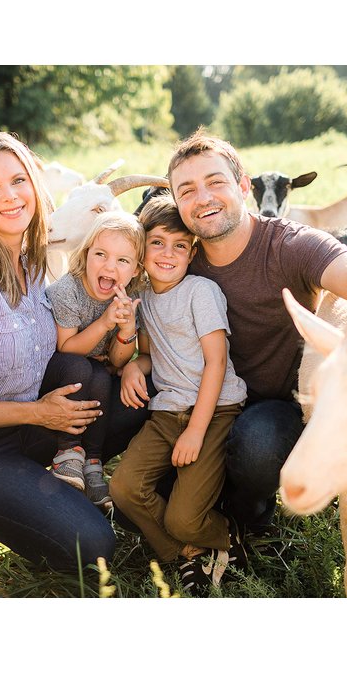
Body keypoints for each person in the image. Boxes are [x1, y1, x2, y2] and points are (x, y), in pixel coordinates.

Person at [0, 131, 146, 573]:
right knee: (94, 546)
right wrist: (40, 414)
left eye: (18, 180)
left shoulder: (32, 259)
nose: (10, 196)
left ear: (35, 186)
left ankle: (60, 478)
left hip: (35, 423)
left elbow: (63, 351)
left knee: (141, 398)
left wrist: (131, 355)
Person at [161, 129, 347, 536]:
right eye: (186, 190)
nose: (202, 198)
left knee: (257, 446)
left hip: (280, 402)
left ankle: (250, 516)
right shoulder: (176, 258)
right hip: (203, 397)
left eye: (215, 182)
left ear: (244, 187)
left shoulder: (289, 245)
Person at [109, 194, 248, 594]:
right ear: (142, 249)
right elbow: (151, 354)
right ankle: (187, 552)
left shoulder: (200, 291)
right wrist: (134, 366)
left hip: (215, 410)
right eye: (157, 243)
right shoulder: (145, 297)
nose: (168, 254)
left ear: (192, 253)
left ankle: (226, 533)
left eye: (180, 246)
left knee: (183, 518)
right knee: (123, 488)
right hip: (167, 412)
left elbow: (216, 363)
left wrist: (195, 432)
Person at [45, 212, 146, 508]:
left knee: (102, 375)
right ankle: (67, 452)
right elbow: (66, 348)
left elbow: (117, 361)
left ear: (136, 270)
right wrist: (104, 323)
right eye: (100, 254)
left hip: (94, 371)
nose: (109, 266)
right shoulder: (67, 291)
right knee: (82, 367)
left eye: (122, 260)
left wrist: (126, 329)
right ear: (86, 254)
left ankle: (92, 462)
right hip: (59, 370)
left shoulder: (130, 295)